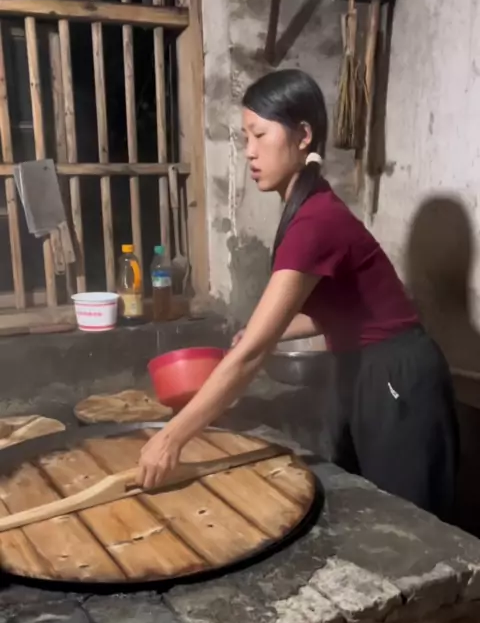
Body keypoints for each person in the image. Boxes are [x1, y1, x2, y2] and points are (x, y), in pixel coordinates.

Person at [138, 69, 458, 520]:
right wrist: (270, 332)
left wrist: (172, 437)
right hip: (363, 369)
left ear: (303, 135)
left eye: (259, 135)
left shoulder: (314, 222)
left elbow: (251, 357)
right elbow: (343, 309)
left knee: (407, 524)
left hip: (397, 379)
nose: (249, 152)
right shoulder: (307, 208)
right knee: (365, 510)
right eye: (245, 138)